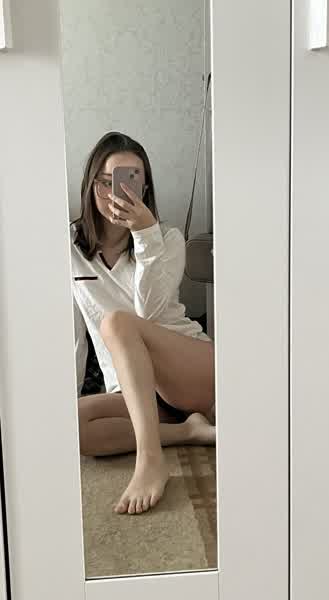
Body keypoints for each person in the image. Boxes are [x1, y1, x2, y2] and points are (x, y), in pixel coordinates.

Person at [71, 131, 215, 516]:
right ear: (91, 185)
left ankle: (150, 459)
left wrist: (145, 233)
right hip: (137, 390)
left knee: (118, 323)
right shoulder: (69, 247)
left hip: (188, 372)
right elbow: (75, 335)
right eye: (107, 181)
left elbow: (149, 312)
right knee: (69, 424)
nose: (116, 193)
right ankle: (187, 431)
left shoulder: (168, 238)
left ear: (144, 187)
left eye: (130, 181)